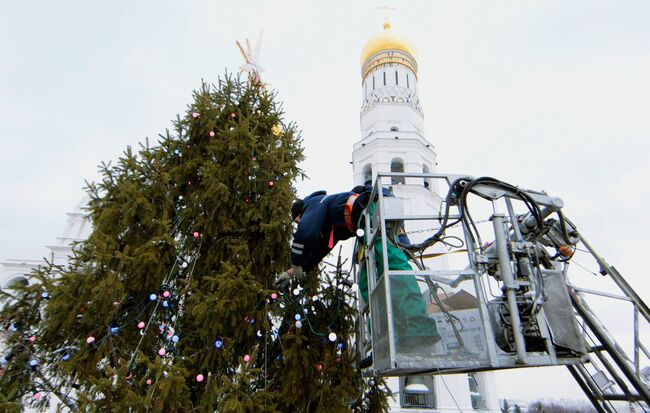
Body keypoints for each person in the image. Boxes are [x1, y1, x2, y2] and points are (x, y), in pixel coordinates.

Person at [276, 187, 440, 352]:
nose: (299, 224)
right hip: (363, 222)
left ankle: (419, 328)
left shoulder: (313, 204)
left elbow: (306, 233)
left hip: (371, 210)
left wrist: (296, 260)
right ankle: (384, 334)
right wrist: (292, 272)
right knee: (366, 280)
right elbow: (320, 250)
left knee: (392, 264)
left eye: (298, 220)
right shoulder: (329, 221)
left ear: (301, 212)